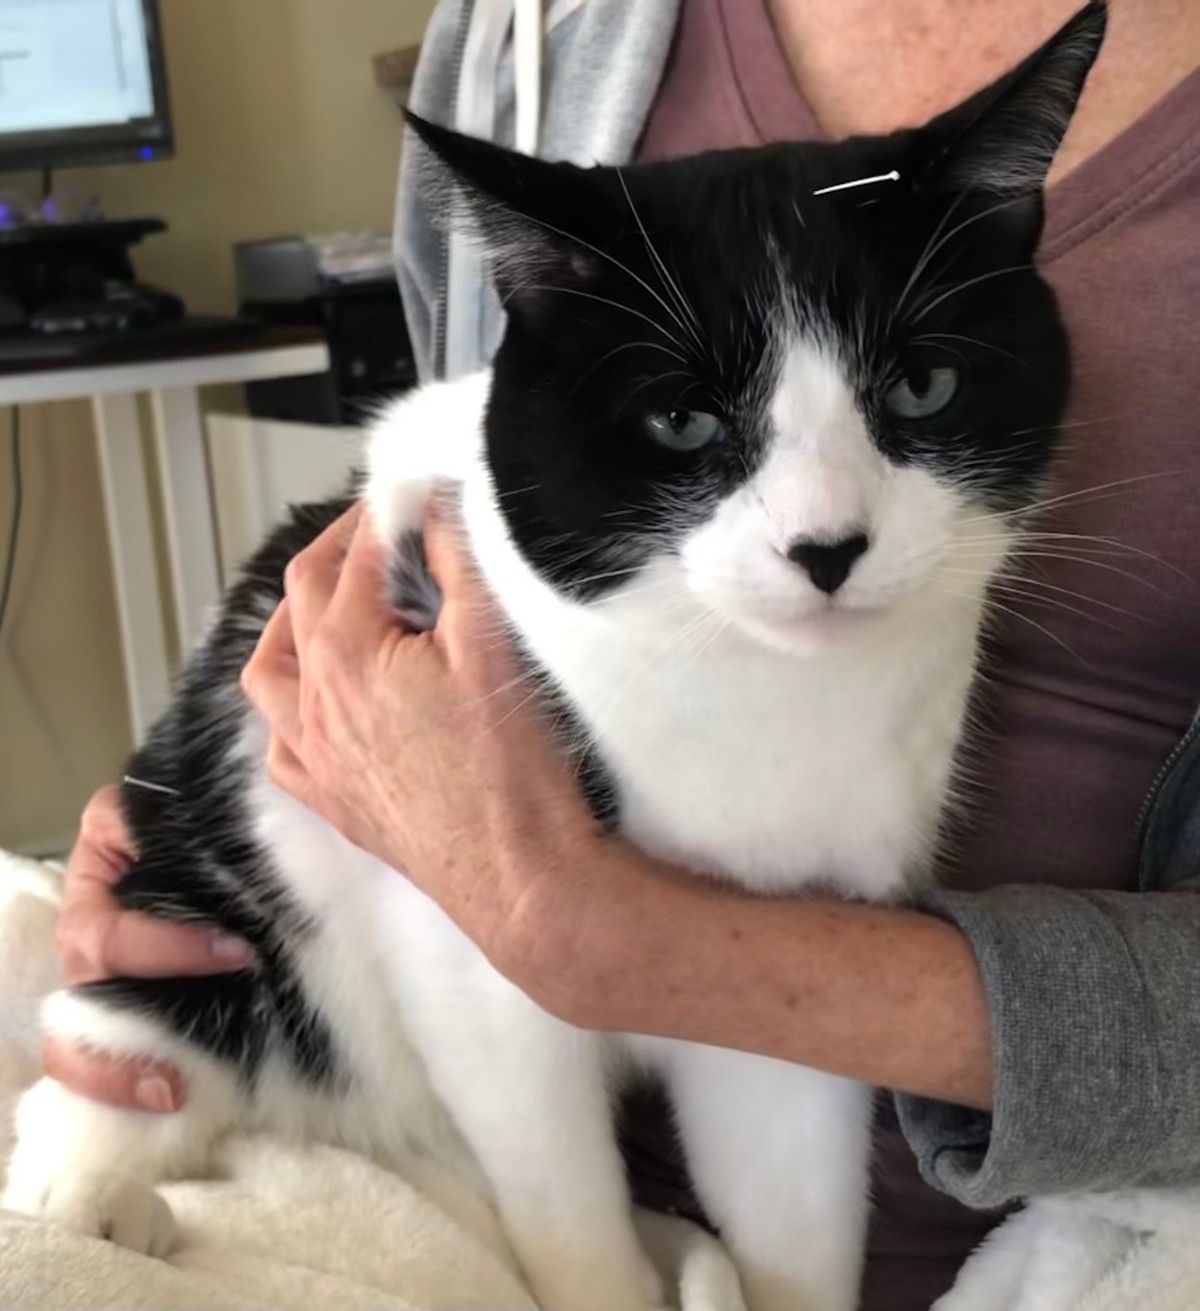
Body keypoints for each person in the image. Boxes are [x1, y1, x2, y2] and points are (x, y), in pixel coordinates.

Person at [44, 2, 1200, 1307]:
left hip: (1088, 1226)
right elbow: (465, 447)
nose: (826, 532)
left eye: (915, 396)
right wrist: (167, 814)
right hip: (418, 1108)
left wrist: (618, 941)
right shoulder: (531, 31)